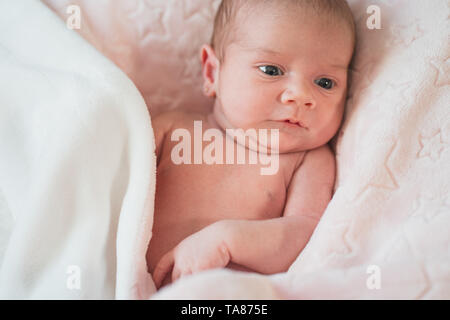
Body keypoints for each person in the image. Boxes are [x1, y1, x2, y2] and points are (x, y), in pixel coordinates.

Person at [147, 0, 356, 289]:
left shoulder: (308, 160)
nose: (300, 95)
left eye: (325, 82)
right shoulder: (172, 129)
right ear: (212, 73)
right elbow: (109, 176)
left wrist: (227, 240)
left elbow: (304, 235)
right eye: (271, 70)